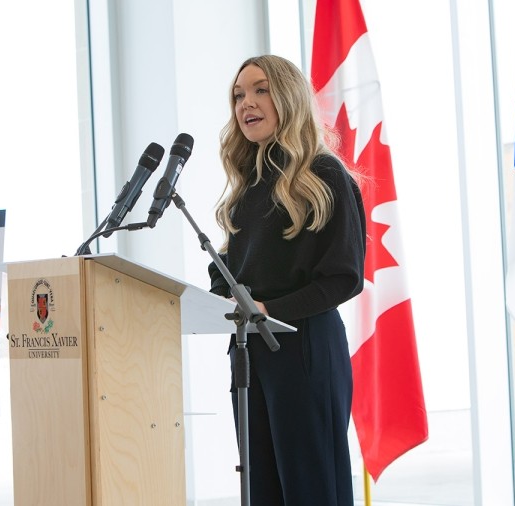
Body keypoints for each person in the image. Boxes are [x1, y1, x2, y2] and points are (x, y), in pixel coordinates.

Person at [208, 54, 366, 505]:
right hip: (250, 352)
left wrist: (269, 311)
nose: (246, 103)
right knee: (262, 492)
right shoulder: (246, 186)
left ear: (289, 97)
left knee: (312, 490)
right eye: (238, 95)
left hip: (305, 349)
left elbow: (344, 277)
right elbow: (235, 268)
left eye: (260, 90)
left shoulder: (324, 174)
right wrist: (221, 293)